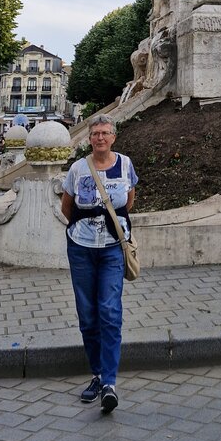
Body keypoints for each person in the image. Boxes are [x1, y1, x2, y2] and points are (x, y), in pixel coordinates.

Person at [61, 117, 138, 413]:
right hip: (81, 249)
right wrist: (86, 228)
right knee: (88, 314)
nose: (100, 138)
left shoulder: (125, 165)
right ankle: (96, 373)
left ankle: (109, 382)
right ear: (89, 138)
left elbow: (128, 203)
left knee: (109, 310)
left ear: (113, 137)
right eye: (95, 133)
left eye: (105, 133)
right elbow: (67, 207)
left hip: (112, 250)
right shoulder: (78, 168)